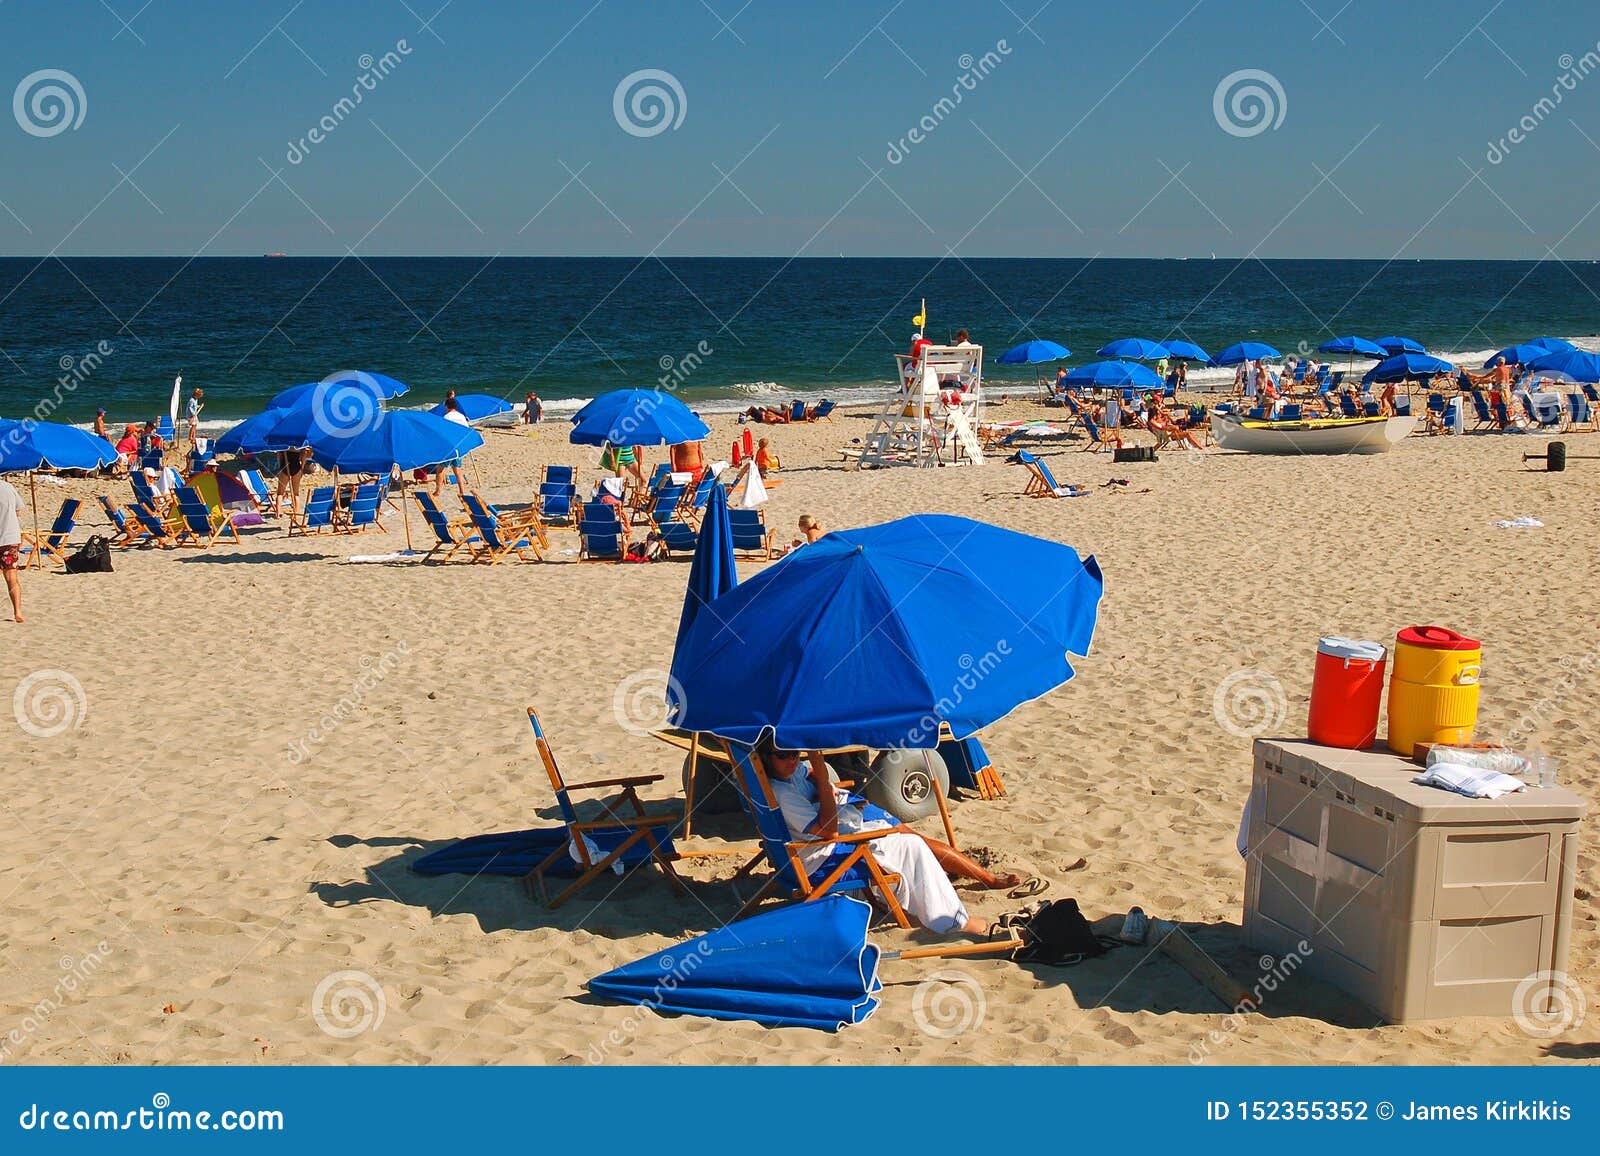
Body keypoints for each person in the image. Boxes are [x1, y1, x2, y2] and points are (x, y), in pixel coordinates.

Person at [758, 741, 1023, 935]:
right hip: (823, 858)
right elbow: (830, 831)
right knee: (911, 844)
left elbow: (809, 777)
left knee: (902, 837)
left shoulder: (784, 779)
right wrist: (824, 778)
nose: (792, 760)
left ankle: (926, 902)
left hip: (812, 847)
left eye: (795, 753)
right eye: (783, 756)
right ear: (767, 758)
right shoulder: (783, 794)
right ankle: (951, 921)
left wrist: (818, 786)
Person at [0, 477, 24, 622]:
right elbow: (18, 511)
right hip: (10, 537)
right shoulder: (8, 487)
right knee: (11, 577)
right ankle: (18, 612)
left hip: (8, 536)